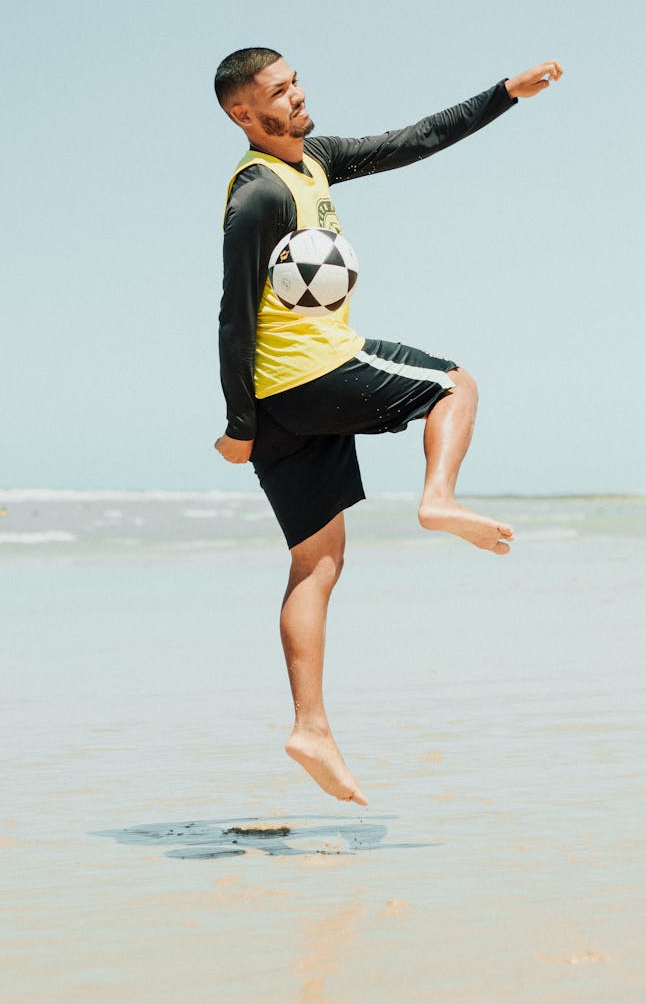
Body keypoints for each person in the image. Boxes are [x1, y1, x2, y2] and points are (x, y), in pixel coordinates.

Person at [213, 48, 563, 806]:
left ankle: (311, 728)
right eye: (279, 91)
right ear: (244, 114)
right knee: (455, 384)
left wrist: (505, 92)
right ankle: (438, 496)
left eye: (296, 79)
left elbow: (416, 139)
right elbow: (233, 314)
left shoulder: (316, 160)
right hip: (311, 376)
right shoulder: (257, 199)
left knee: (316, 561)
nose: (298, 96)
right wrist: (238, 425)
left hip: (286, 401)